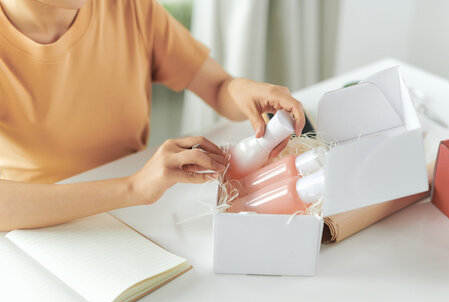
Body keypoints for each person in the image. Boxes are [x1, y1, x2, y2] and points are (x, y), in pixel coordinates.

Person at [0, 0, 305, 231]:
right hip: (39, 225)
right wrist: (133, 188)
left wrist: (237, 88)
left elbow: (217, 87)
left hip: (138, 217)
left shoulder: (128, 8)